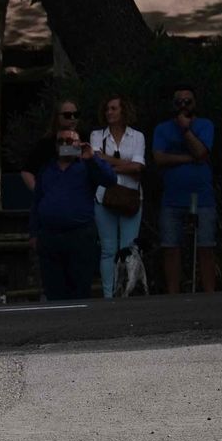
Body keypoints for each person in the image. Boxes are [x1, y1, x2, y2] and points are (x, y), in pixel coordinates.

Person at [30, 125, 117, 300]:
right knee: (53, 291)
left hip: (80, 236)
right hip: (50, 237)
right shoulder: (46, 169)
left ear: (79, 143)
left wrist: (92, 157)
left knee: (79, 291)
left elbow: (110, 180)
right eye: (60, 141)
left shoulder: (87, 166)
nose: (64, 144)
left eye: (69, 141)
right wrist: (33, 233)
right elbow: (37, 201)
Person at [152, 85, 217, 294]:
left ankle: (209, 294)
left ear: (195, 103)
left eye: (187, 101)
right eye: (179, 101)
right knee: (171, 247)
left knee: (206, 245)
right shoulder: (162, 128)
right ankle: (174, 295)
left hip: (202, 195)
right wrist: (190, 158)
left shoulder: (205, 125)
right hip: (172, 197)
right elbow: (159, 157)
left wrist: (186, 130)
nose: (183, 105)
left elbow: (202, 151)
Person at [88, 96, 146, 299]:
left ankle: (127, 293)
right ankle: (108, 295)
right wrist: (126, 166)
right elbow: (96, 164)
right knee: (108, 249)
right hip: (104, 197)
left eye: (113, 108)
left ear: (123, 111)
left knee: (128, 249)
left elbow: (139, 167)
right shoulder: (97, 135)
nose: (109, 112)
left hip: (130, 197)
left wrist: (109, 161)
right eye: (107, 109)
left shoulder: (137, 136)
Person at [20, 100, 82, 193]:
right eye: (67, 115)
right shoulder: (46, 143)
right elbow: (26, 172)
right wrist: (40, 192)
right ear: (58, 117)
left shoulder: (86, 137)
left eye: (76, 115)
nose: (72, 118)